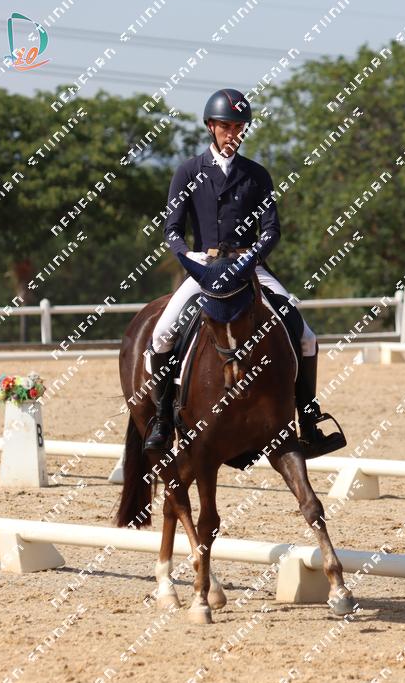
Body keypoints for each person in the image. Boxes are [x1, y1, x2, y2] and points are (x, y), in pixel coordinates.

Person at [145, 88, 344, 457]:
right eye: (226, 127)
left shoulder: (256, 174)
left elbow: (271, 230)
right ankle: (161, 419)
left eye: (239, 127)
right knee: (161, 335)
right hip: (205, 268)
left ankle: (308, 418)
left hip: (249, 266)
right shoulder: (188, 171)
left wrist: (251, 258)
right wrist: (189, 258)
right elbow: (171, 230)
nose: (232, 134)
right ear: (210, 126)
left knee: (307, 337)